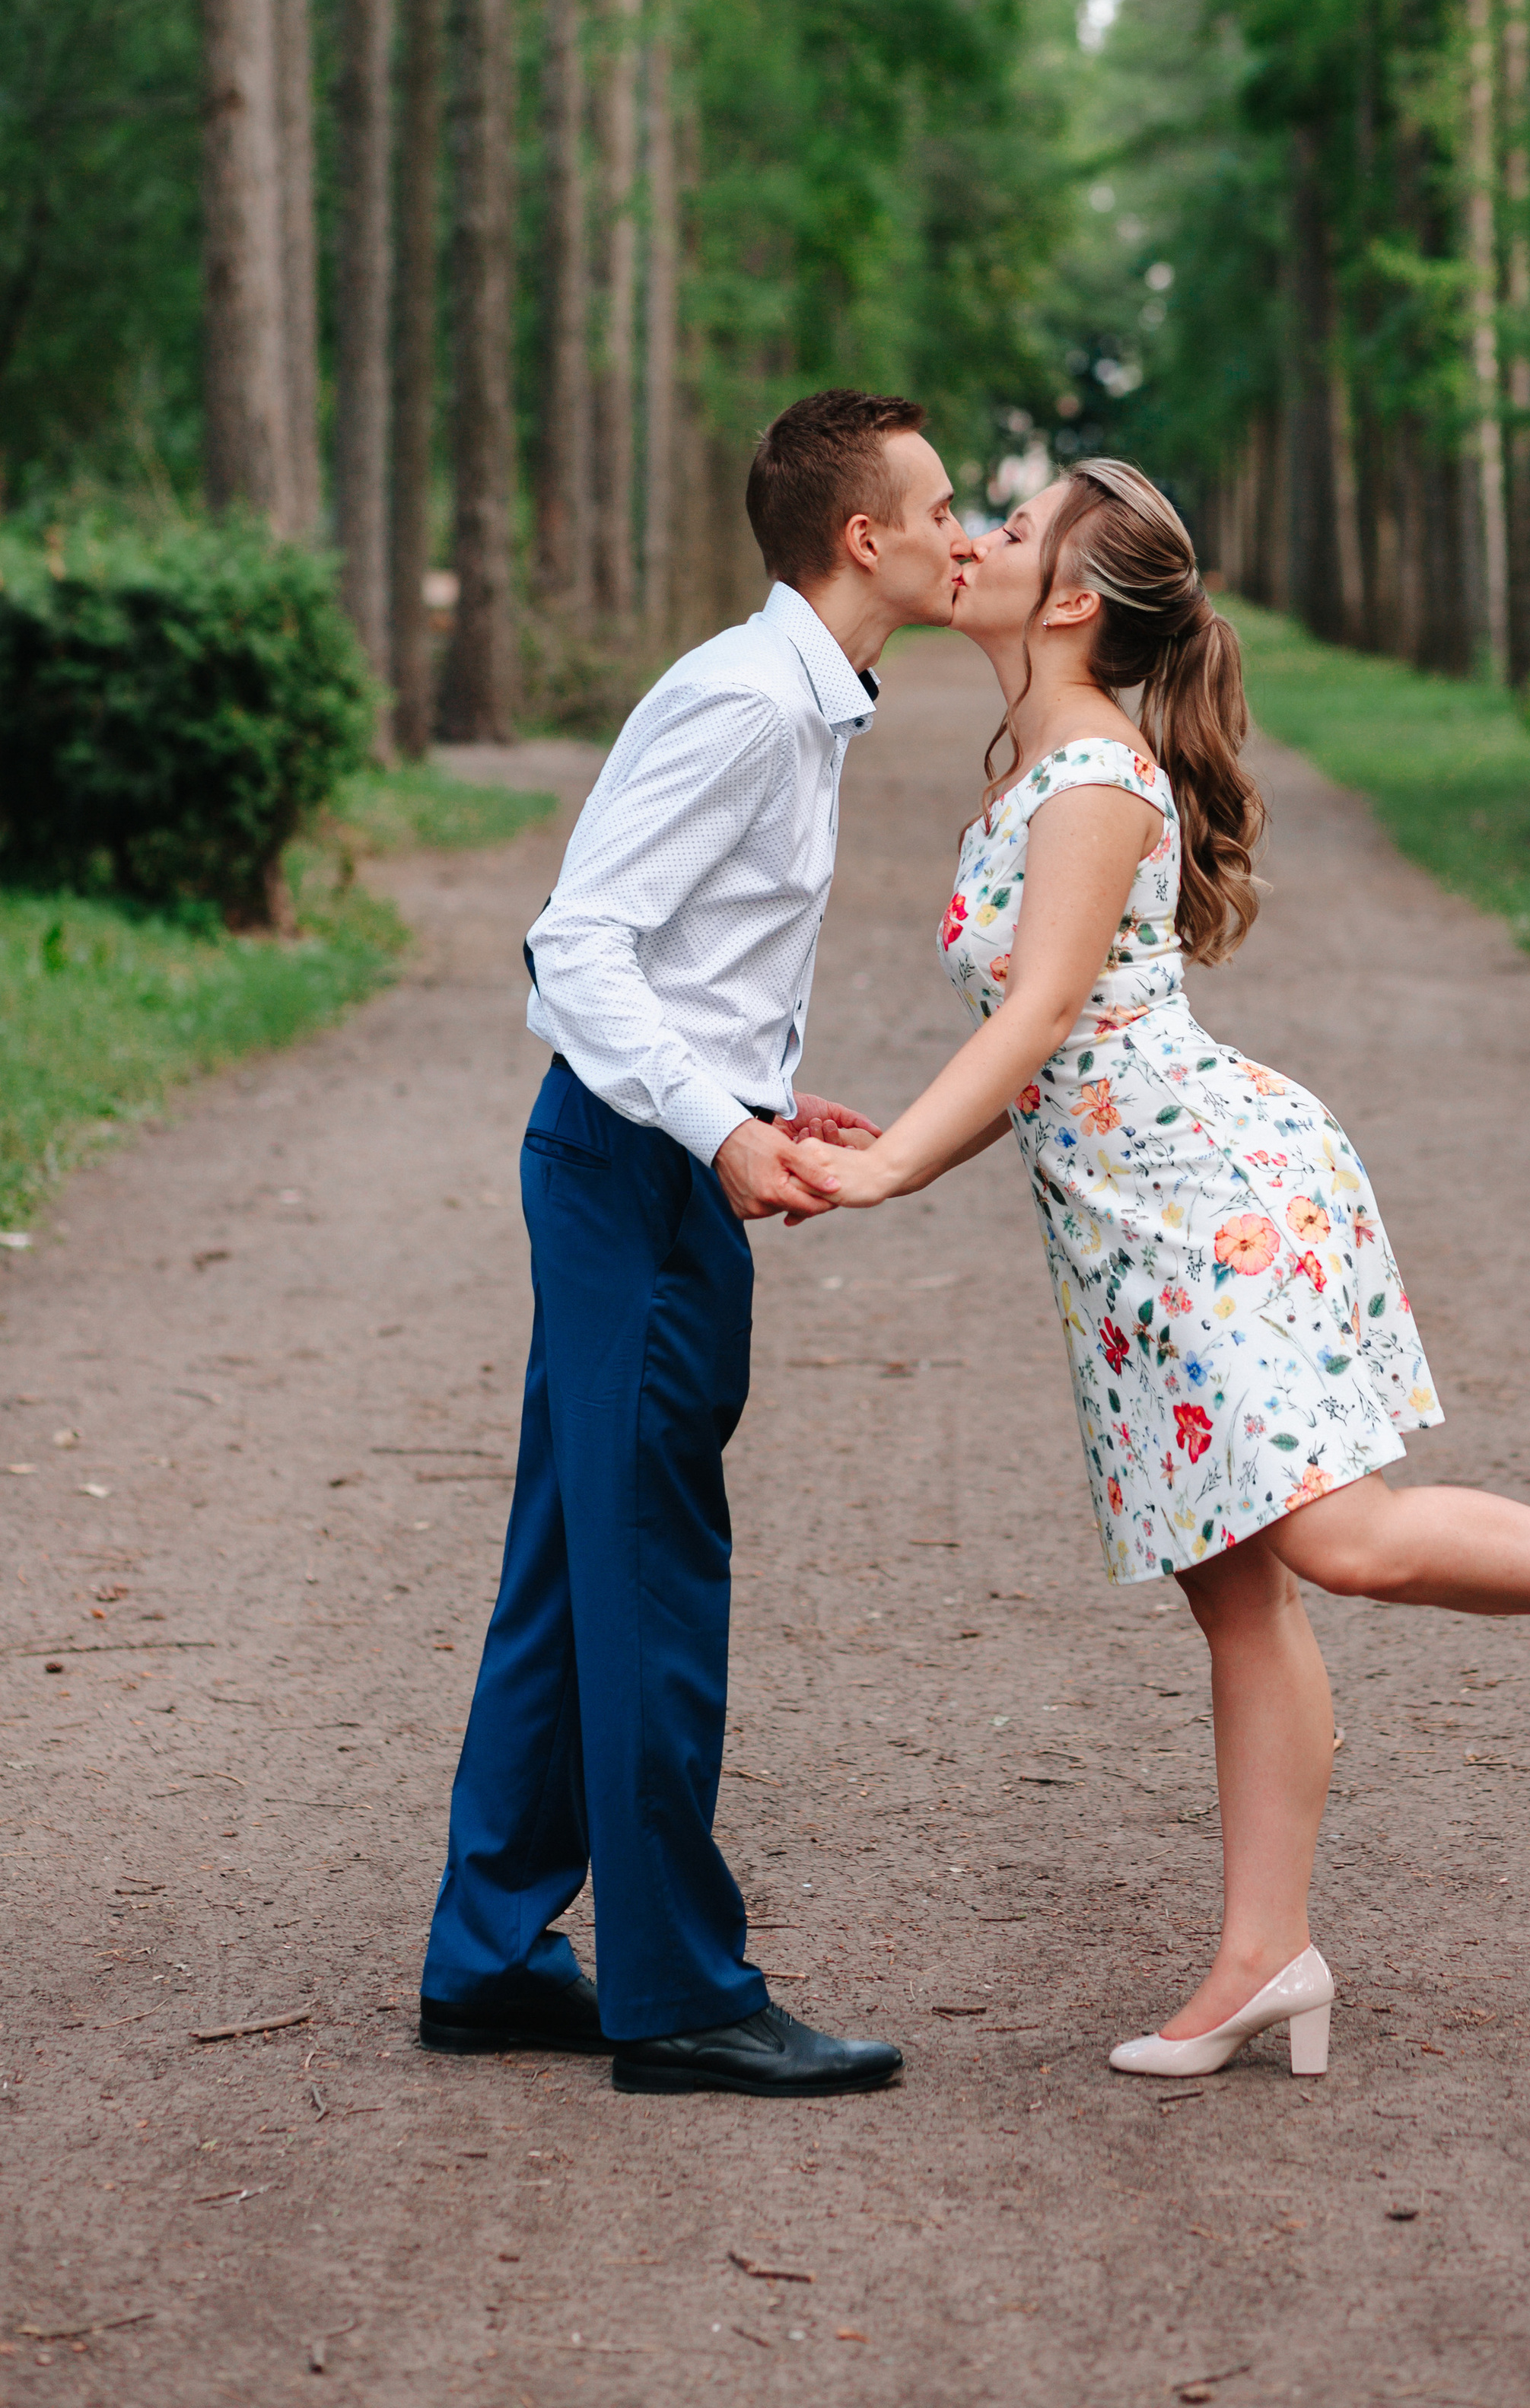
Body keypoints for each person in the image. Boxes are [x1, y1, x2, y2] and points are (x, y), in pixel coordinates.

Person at [779, 456, 1530, 2083]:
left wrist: (882, 1169)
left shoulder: (1089, 779)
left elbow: (1028, 1026)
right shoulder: (1039, 764)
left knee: (1338, 1541)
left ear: (1069, 598)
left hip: (1212, 1205)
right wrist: (897, 1144)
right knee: (1235, 1596)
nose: (969, 542)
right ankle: (1262, 1957)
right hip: (1128, 1233)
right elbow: (1062, 1054)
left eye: (1006, 528)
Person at [419, 389, 971, 2098]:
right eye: (942, 506)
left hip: (650, 1157)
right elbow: (574, 950)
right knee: (652, 1575)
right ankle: (674, 1994)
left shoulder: (803, 703)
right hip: (630, 1181)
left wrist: (765, 1099)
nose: (967, 531)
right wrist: (717, 1126)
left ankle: (493, 1957)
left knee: (575, 1569)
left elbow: (689, 962)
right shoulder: (746, 703)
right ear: (860, 538)